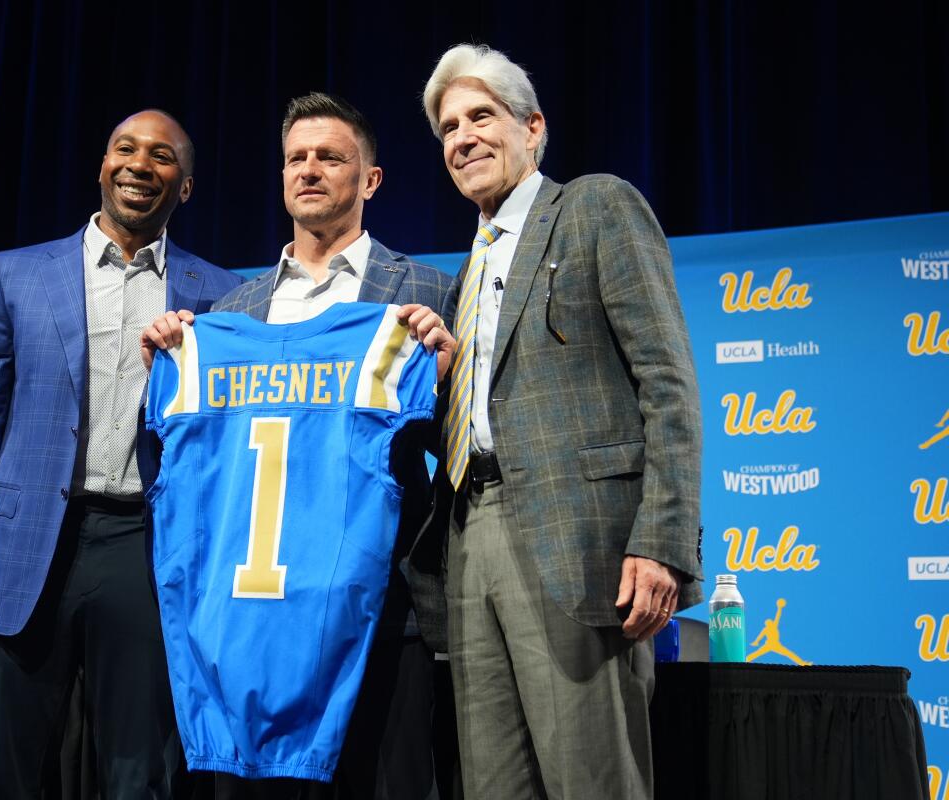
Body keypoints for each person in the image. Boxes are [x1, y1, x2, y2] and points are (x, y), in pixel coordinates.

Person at [407, 44, 704, 800]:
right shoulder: (467, 270)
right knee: (493, 785)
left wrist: (661, 541)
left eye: (481, 117)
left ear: (532, 128)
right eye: (448, 128)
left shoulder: (595, 206)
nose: (463, 137)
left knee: (591, 782)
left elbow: (666, 382)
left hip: (575, 542)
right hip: (470, 537)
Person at [142, 92, 457, 800]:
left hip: (386, 609)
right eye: (296, 158)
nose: (309, 170)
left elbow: (461, 458)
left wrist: (439, 380)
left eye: (330, 158)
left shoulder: (428, 292)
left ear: (370, 179)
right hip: (258, 622)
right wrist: (163, 366)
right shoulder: (231, 313)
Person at [0, 109, 242, 799]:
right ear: (102, 167)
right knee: (0, 768)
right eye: (125, 149)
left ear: (183, 186)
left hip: (145, 546)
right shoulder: (16, 275)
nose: (140, 164)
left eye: (162, 157)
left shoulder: (223, 296)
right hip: (22, 547)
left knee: (142, 771)